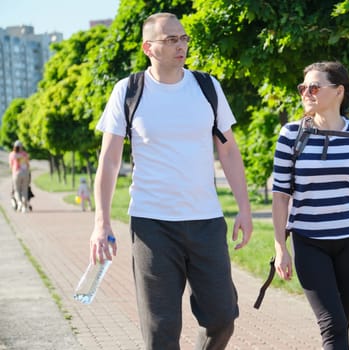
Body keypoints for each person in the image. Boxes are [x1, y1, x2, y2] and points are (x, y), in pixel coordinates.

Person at [90, 12, 252, 350]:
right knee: (161, 330)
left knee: (222, 318)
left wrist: (244, 208)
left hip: (206, 221)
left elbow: (230, 152)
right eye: (171, 40)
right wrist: (100, 221)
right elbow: (109, 160)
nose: (181, 45)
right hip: (152, 226)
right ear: (149, 48)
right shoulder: (129, 91)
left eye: (184, 38)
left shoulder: (207, 87)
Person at [271, 61, 349, 350]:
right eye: (303, 87)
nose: (306, 93)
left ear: (338, 92)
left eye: (314, 87)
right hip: (309, 242)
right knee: (332, 326)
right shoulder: (290, 135)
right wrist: (280, 248)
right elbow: (281, 194)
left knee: (340, 326)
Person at [9, 140, 31, 213]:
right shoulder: (24, 154)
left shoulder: (12, 154)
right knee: (24, 189)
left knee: (17, 190)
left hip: (16, 173)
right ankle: (25, 206)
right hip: (25, 173)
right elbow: (28, 164)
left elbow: (11, 165)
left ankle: (19, 203)